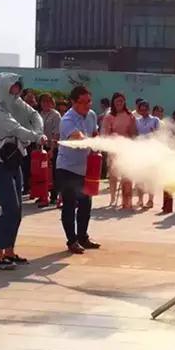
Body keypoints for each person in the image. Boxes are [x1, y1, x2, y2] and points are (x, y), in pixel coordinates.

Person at [0, 72, 46, 270]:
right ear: (4, 89)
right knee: (10, 209)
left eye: (18, 88)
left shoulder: (16, 103)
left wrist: (38, 132)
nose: (16, 92)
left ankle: (9, 252)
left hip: (13, 162)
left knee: (17, 210)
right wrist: (37, 137)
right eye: (13, 88)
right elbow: (17, 130)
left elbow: (34, 115)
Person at [56, 85, 101, 254]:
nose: (87, 105)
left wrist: (98, 142)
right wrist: (90, 142)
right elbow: (77, 137)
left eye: (89, 101)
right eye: (83, 102)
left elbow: (94, 133)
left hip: (85, 167)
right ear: (73, 102)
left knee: (85, 204)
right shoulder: (67, 120)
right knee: (69, 204)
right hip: (67, 168)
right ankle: (72, 240)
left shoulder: (92, 115)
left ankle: (83, 237)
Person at [101, 92, 137, 208]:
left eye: (121, 101)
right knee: (113, 174)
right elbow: (105, 133)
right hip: (113, 147)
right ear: (113, 102)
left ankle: (126, 200)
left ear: (124, 102)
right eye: (117, 101)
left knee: (127, 174)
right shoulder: (109, 116)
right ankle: (112, 198)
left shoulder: (130, 115)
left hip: (126, 147)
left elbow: (133, 132)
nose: (119, 103)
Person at [134, 100, 160, 209]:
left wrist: (155, 133)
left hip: (151, 151)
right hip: (140, 151)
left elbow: (160, 135)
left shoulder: (155, 120)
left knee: (150, 177)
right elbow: (135, 134)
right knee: (140, 177)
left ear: (149, 109)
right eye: (141, 110)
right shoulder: (137, 121)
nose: (143, 112)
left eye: (145, 109)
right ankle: (140, 200)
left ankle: (150, 200)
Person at [39, 93, 62, 207]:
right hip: (42, 147)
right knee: (42, 172)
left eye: (48, 101)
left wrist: (52, 150)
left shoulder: (55, 115)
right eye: (43, 101)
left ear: (52, 103)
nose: (45, 104)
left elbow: (56, 133)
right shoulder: (40, 114)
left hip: (53, 147)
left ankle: (54, 196)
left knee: (53, 173)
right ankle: (43, 195)